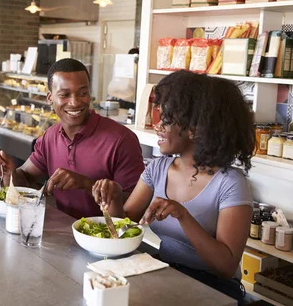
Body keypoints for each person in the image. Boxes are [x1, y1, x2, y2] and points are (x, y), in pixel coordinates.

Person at [92, 70, 254, 304]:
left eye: (166, 119)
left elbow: (226, 266)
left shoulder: (231, 183)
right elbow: (122, 231)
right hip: (166, 274)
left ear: (195, 128)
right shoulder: (158, 169)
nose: (157, 125)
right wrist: (115, 199)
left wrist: (182, 215)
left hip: (216, 290)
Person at [0, 58, 145, 219]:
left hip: (107, 240)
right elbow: (25, 178)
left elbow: (133, 213)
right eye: (64, 94)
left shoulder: (122, 140)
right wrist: (8, 172)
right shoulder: (50, 136)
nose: (75, 102)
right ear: (50, 98)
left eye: (83, 93)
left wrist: (86, 184)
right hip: (62, 235)